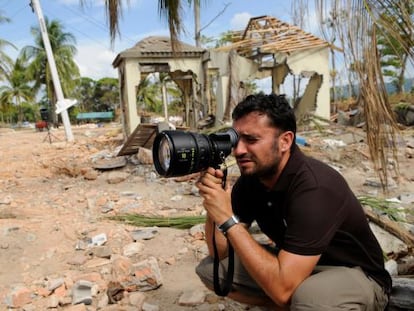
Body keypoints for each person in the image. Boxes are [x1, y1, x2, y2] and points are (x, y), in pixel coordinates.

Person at [195, 93, 391, 310]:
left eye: (251, 140)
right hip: (297, 266)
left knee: (309, 299)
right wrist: (214, 205)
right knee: (214, 270)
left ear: (285, 141)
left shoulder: (315, 188)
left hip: (356, 275)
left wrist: (227, 219)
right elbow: (221, 253)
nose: (239, 150)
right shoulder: (253, 180)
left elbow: (282, 290)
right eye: (237, 139)